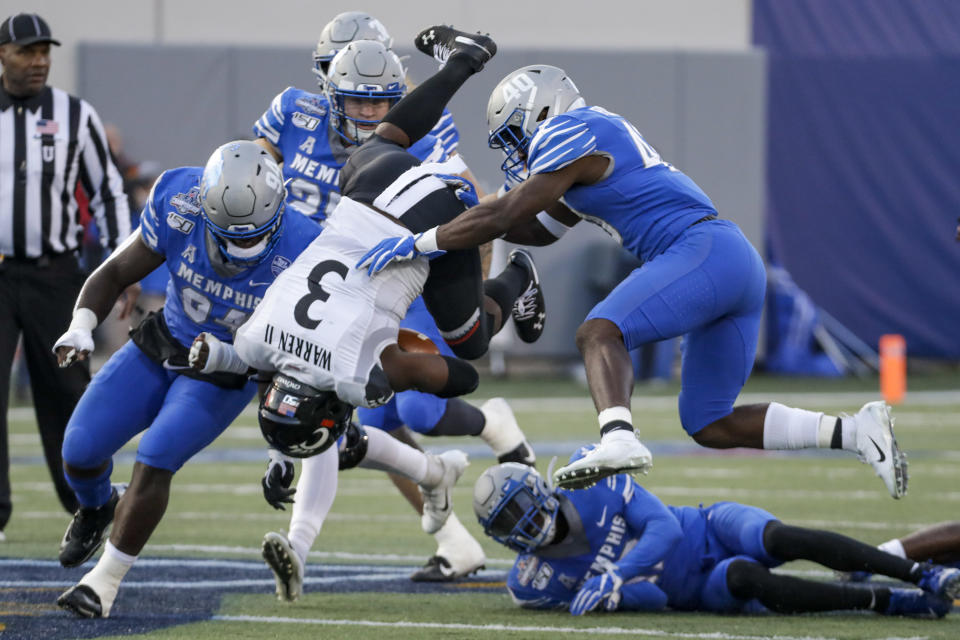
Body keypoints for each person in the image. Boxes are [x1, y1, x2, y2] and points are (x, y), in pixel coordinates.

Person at [359, 62, 907, 499]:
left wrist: (423, 239)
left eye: (513, 135)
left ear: (540, 110)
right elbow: (537, 228)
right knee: (709, 422)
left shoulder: (574, 127)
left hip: (702, 250)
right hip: (726, 260)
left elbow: (506, 215)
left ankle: (618, 437)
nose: (514, 150)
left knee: (598, 332)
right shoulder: (583, 151)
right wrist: (465, 227)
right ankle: (854, 431)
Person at [252, 25, 535, 583]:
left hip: (411, 267)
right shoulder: (294, 114)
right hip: (334, 288)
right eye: (348, 86)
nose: (365, 105)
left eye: (380, 94)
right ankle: (452, 538)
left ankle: (485, 426)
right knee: (356, 418)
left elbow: (471, 209)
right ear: (326, 80)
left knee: (416, 405)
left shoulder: (400, 138)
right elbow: (257, 188)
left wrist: (471, 297)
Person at [51, 140, 323, 618]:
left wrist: (279, 446)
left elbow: (289, 357)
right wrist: (81, 328)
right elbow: (115, 270)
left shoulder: (306, 245)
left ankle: (105, 582)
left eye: (252, 237)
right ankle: (97, 508)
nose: (241, 248)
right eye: (230, 236)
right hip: (165, 340)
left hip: (226, 372)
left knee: (155, 455)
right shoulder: (180, 198)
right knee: (78, 448)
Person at [472, 456, 960, 618]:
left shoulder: (590, 482)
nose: (520, 523)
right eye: (504, 522)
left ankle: (922, 573)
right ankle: (887, 602)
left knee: (777, 537)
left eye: (518, 505)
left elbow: (662, 526)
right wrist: (621, 595)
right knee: (747, 576)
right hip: (699, 588)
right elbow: (656, 597)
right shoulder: (533, 582)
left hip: (705, 526)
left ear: (540, 489)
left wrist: (616, 574)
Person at [0, 12, 134, 542]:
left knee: (67, 390)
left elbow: (109, 193)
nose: (39, 61)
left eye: (44, 52)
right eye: (26, 51)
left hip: (55, 275)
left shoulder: (74, 115)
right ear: (2, 55)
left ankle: (88, 503)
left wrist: (123, 267)